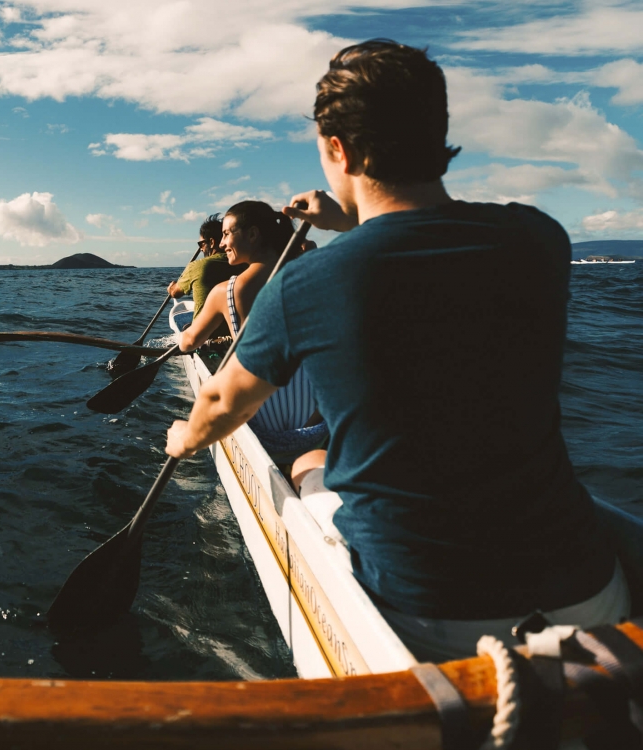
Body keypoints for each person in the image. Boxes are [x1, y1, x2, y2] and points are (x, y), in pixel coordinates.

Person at [165, 39, 627, 662]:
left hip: (433, 612)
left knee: (308, 462)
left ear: (340, 150)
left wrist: (182, 440)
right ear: (438, 135)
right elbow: (426, 256)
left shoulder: (305, 285)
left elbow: (221, 405)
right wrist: (354, 221)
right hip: (591, 592)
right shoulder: (538, 240)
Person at [178, 200, 327, 458]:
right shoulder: (312, 275)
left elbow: (188, 343)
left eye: (226, 234)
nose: (222, 244)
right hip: (316, 425)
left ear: (253, 234)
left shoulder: (225, 292)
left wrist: (186, 335)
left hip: (265, 431)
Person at [168, 214, 236, 337]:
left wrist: (171, 288)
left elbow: (175, 293)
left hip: (205, 337)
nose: (201, 249)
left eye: (201, 244)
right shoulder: (243, 263)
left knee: (188, 327)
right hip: (237, 335)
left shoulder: (197, 266)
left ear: (211, 242)